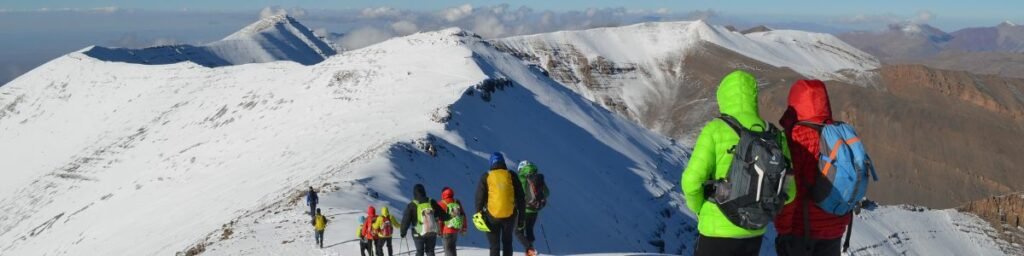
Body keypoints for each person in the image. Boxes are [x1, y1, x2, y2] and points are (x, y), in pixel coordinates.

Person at [680, 70, 796, 256]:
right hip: (755, 230)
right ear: (754, 97)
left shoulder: (715, 129)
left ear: (723, 97)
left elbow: (691, 181)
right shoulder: (774, 134)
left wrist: (700, 209)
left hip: (716, 228)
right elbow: (790, 191)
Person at [773, 80, 851, 256]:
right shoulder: (841, 134)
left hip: (802, 231)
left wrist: (783, 228)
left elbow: (789, 189)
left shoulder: (794, 138)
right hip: (835, 229)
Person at [475, 152, 524, 256]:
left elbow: (479, 198)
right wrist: (521, 219)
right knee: (507, 243)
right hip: (510, 216)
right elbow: (521, 198)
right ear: (503, 162)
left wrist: (478, 214)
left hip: (492, 217)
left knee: (494, 245)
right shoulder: (511, 175)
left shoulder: (486, 176)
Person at [401, 184, 450, 256]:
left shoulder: (412, 205)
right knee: (430, 251)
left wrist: (403, 232)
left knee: (419, 252)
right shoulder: (431, 202)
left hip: (418, 233)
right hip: (432, 231)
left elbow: (406, 220)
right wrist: (449, 217)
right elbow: (442, 215)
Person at [515, 161, 549, 256]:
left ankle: (530, 249)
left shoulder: (521, 177)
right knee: (529, 229)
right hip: (535, 209)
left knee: (518, 231)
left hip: (524, 210)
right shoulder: (537, 177)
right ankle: (529, 251)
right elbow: (547, 192)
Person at [438, 187, 467, 256]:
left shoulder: (441, 203)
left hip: (446, 230)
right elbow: (463, 215)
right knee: (452, 249)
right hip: (455, 229)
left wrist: (439, 231)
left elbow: (440, 219)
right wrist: (464, 228)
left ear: (443, 194)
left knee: (448, 250)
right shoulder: (456, 202)